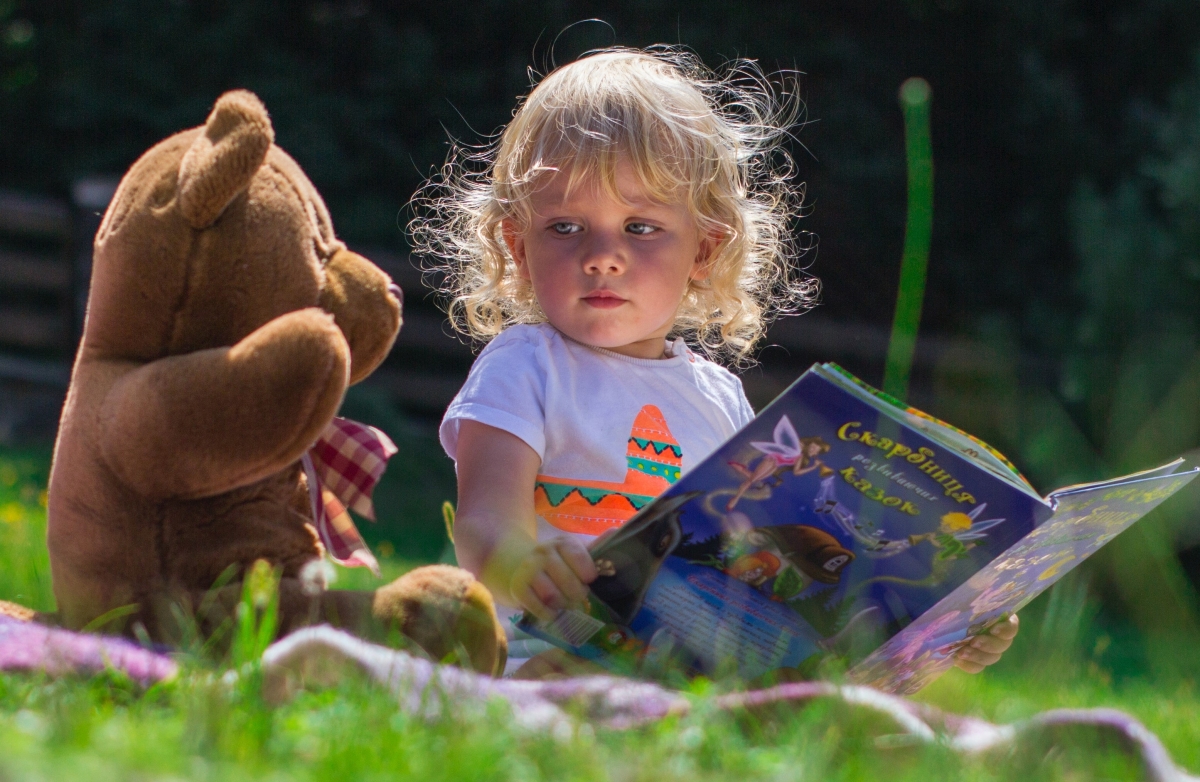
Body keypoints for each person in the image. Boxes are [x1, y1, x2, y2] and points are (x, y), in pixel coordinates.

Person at [413, 47, 1017, 676]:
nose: (602, 256)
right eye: (565, 226)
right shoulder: (525, 365)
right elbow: (484, 521)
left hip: (692, 671)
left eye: (640, 227)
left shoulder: (719, 396)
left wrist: (948, 629)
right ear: (517, 245)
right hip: (548, 650)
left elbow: (752, 553)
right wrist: (520, 565)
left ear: (704, 250)